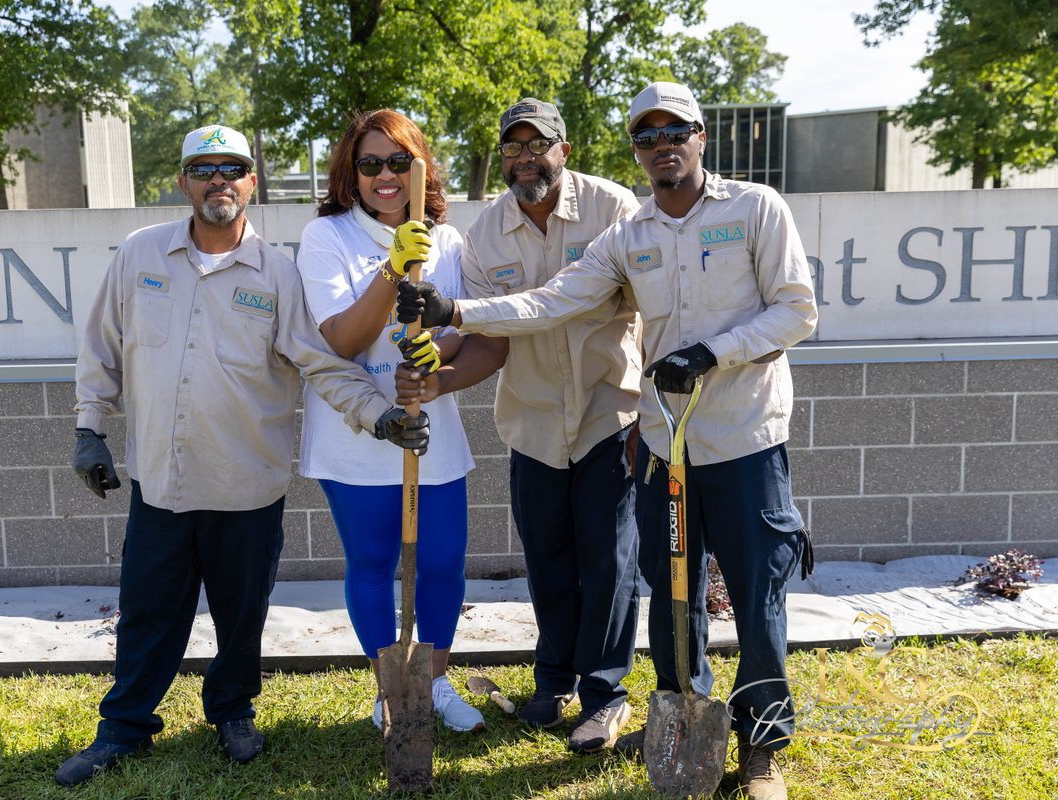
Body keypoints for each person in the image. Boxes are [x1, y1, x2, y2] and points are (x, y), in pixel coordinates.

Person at [396, 82, 817, 800]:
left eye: (674, 132)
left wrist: (715, 353)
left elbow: (796, 312)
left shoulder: (754, 209)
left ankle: (762, 747)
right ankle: (688, 726)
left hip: (742, 440)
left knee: (757, 598)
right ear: (637, 150)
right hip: (664, 445)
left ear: (700, 137)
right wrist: (455, 308)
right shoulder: (630, 236)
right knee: (674, 597)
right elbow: (553, 300)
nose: (662, 147)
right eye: (647, 138)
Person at [57, 124, 430, 787]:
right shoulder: (140, 256)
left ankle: (232, 710)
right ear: (183, 182)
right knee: (147, 611)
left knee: (241, 613)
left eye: (233, 168)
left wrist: (382, 416)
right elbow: (101, 346)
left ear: (252, 183)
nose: (218, 180)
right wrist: (90, 428)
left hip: (247, 487)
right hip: (163, 486)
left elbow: (323, 363)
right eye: (203, 169)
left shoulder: (278, 274)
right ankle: (124, 725)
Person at [395, 98, 644, 754]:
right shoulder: (487, 233)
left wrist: (456, 309)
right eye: (512, 147)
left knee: (609, 563)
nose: (525, 157)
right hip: (531, 422)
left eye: (539, 145)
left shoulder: (613, 210)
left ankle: (604, 695)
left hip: (606, 414)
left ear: (565, 149)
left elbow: (554, 304)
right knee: (549, 561)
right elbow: (491, 339)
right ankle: (554, 680)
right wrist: (437, 372)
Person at [294, 109, 484, 733]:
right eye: (370, 163)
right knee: (373, 563)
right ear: (352, 170)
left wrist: (437, 356)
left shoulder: (449, 241)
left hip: (430, 427)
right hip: (355, 436)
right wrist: (390, 267)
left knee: (441, 563)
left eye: (397, 162)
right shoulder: (326, 237)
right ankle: (391, 691)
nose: (384, 175)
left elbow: (463, 331)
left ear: (418, 167)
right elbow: (343, 340)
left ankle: (432, 682)